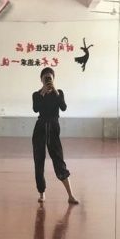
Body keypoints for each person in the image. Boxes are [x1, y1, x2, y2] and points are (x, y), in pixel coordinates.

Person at [32, 67, 79, 204]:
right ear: (41, 79)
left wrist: (56, 92)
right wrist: (43, 92)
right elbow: (35, 109)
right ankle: (42, 193)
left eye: (50, 77)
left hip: (53, 129)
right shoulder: (36, 94)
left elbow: (64, 107)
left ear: (53, 79)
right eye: (45, 77)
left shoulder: (59, 93)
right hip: (40, 129)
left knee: (59, 160)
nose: (47, 79)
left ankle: (70, 195)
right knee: (39, 162)